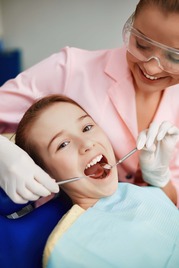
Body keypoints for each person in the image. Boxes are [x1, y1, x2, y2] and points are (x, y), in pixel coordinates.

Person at [1, 0, 179, 205]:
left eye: (174, 58)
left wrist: (160, 179)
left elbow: (174, 207)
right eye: (142, 45)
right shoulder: (71, 70)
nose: (151, 68)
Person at [14, 94, 179, 268]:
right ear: (46, 176)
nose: (86, 143)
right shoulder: (69, 251)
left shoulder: (138, 192)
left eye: (87, 127)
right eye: (63, 144)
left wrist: (159, 177)